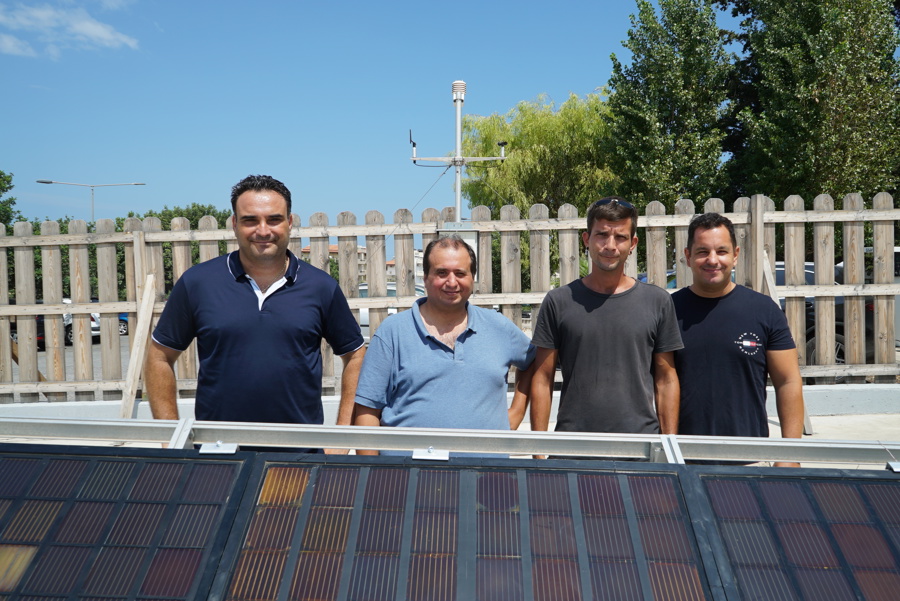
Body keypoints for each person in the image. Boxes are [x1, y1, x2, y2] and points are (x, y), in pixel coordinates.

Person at [145, 175, 365, 451]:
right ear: (234, 224)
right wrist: (170, 438)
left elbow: (355, 355)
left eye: (274, 219)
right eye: (250, 220)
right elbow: (159, 357)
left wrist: (342, 437)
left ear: (289, 223)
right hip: (218, 453)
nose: (263, 230)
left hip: (299, 455)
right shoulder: (198, 283)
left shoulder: (321, 287)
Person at [353, 235, 535, 455]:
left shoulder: (498, 328)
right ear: (426, 278)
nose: (451, 282)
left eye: (460, 273)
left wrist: (517, 410)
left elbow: (536, 363)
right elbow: (366, 411)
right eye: (441, 273)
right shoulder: (392, 332)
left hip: (486, 472)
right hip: (408, 472)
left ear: (473, 278)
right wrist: (374, 470)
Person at [530, 197, 683, 439]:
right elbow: (542, 378)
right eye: (601, 235)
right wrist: (539, 450)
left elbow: (666, 380)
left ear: (632, 243)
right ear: (586, 239)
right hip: (573, 445)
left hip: (641, 446)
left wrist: (668, 445)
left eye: (620, 237)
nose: (610, 245)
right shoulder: (559, 301)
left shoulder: (657, 301)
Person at [672, 212, 804, 465]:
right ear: (688, 256)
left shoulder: (764, 310)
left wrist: (791, 453)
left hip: (751, 456)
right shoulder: (668, 311)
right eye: (702, 252)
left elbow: (788, 381)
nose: (712, 260)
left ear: (735, 255)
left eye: (721, 251)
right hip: (683, 458)